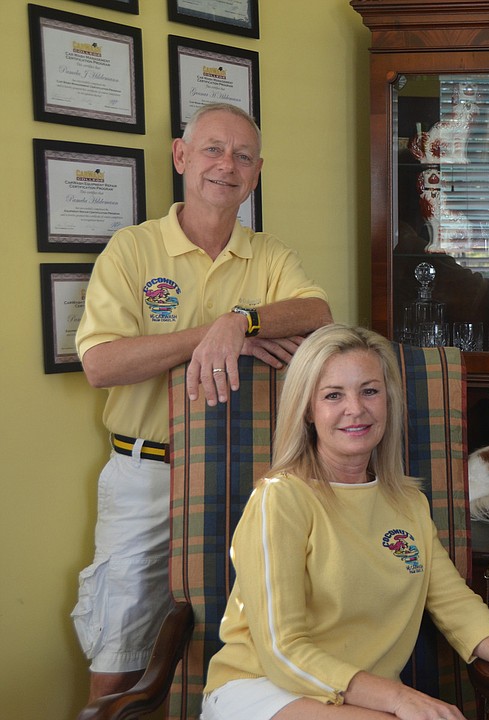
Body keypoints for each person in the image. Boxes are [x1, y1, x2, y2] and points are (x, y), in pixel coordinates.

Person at [73, 102, 334, 702]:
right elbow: (101, 364)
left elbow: (318, 313)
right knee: (120, 652)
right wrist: (212, 337)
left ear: (257, 172)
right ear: (181, 156)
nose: (227, 165)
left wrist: (240, 322)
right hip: (148, 475)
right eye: (213, 149)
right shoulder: (131, 250)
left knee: (251, 633)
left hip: (250, 474)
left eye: (243, 156)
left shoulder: (270, 256)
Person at [200, 324, 489, 720]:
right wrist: (399, 698)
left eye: (370, 391)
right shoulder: (280, 498)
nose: (355, 409)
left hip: (359, 697)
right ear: (307, 409)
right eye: (333, 395)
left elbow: (458, 606)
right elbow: (283, 649)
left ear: (388, 400)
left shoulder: (409, 503)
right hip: (266, 687)